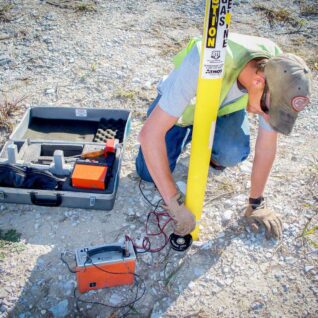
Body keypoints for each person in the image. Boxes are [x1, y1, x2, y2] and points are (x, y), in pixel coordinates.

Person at [135, 33, 312, 240]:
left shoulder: (281, 71)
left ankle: (210, 145)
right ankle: (186, 135)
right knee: (148, 172)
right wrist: (174, 203)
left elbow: (266, 144)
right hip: (181, 112)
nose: (265, 116)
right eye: (267, 109)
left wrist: (256, 203)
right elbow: (149, 136)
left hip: (221, 110)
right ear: (257, 81)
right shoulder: (204, 59)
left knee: (232, 152)